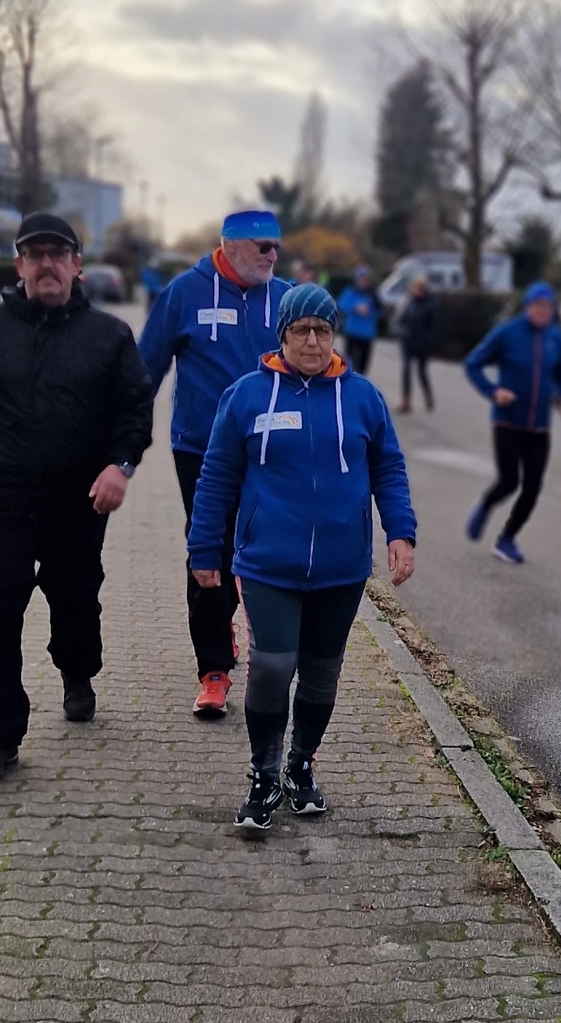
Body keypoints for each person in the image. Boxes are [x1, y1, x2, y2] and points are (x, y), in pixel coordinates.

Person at [0, 213, 154, 782]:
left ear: (76, 265)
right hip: (1, 502)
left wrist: (120, 466)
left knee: (75, 602)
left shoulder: (110, 336)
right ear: (19, 265)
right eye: (35, 254)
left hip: (77, 505)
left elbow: (134, 411)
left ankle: (77, 670)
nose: (47, 264)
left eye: (57, 254)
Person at [187, 282, 417, 834]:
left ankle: (300, 764)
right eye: (301, 330)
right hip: (268, 564)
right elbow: (216, 477)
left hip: (342, 567)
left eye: (322, 330)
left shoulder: (362, 398)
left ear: (334, 334)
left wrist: (401, 532)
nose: (313, 341)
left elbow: (388, 468)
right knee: (272, 666)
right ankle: (263, 774)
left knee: (321, 673)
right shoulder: (246, 396)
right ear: (283, 335)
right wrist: (203, 547)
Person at [139, 209, 292, 718]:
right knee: (209, 549)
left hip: (270, 452)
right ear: (229, 244)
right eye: (263, 247)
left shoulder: (285, 298)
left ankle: (251, 637)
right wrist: (120, 447)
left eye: (276, 246)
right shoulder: (185, 293)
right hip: (201, 450)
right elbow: (145, 370)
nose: (273, 255)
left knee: (262, 552)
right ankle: (213, 670)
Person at [463, 282, 561, 565]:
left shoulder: (556, 337)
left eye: (547, 307)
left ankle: (507, 538)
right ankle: (485, 504)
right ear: (528, 307)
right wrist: (493, 392)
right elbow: (473, 364)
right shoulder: (508, 333)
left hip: (539, 427)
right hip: (508, 422)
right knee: (509, 481)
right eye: (537, 306)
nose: (542, 311)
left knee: (533, 487)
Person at [396, 274, 440, 413]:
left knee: (421, 372)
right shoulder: (410, 303)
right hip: (408, 341)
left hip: (422, 343)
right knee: (406, 370)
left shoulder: (430, 305)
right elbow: (403, 319)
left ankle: (428, 396)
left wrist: (430, 341)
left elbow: (434, 326)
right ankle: (406, 400)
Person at [338, 264, 382, 375]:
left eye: (365, 279)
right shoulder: (350, 292)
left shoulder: (373, 295)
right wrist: (355, 308)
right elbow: (342, 305)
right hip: (352, 332)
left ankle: (360, 380)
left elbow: (380, 312)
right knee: (349, 361)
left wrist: (369, 311)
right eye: (361, 279)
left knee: (363, 364)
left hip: (366, 334)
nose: (363, 282)